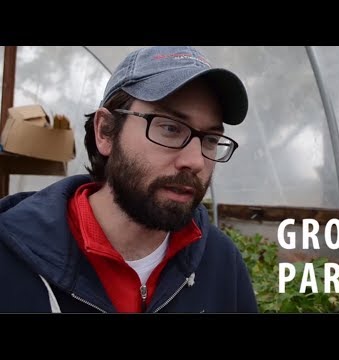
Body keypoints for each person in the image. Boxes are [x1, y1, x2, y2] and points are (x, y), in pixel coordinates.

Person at [0, 46, 258, 313]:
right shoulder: (9, 261)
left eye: (211, 139)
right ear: (106, 132)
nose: (195, 161)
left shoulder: (220, 261)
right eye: (169, 128)